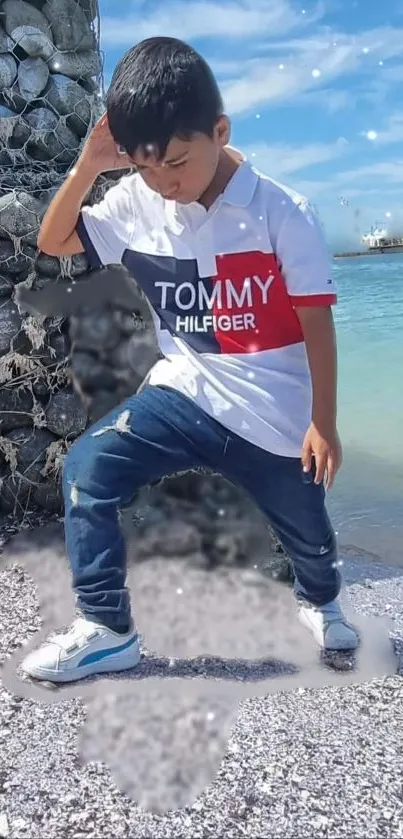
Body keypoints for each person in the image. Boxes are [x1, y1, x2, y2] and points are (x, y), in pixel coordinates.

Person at [21, 36, 358, 684]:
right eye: (147, 168)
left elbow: (317, 323)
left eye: (176, 162)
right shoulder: (138, 205)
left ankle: (319, 600)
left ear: (219, 131)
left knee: (309, 537)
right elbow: (54, 237)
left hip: (273, 410)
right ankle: (107, 629)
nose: (164, 183)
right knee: (89, 466)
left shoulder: (282, 212)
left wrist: (323, 422)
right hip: (184, 392)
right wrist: (91, 165)